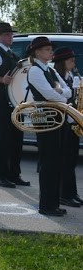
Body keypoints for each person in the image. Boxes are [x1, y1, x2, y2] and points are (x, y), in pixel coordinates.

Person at [25, 36, 69, 217]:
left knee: (55, 161)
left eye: (51, 50)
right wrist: (62, 94)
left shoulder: (50, 70)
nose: (51, 52)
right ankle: (46, 205)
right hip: (44, 117)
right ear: (37, 52)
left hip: (56, 115)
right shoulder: (35, 71)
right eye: (47, 50)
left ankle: (53, 203)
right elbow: (51, 95)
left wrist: (61, 93)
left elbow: (67, 88)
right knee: (48, 161)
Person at [0, 21, 28, 188]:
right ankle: (0, 175)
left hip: (16, 101)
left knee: (17, 139)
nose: (10, 37)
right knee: (3, 139)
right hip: (2, 99)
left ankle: (14, 174)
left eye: (11, 34)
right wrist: (1, 79)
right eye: (6, 34)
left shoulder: (11, 53)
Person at [52, 46, 82, 209]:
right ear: (62, 62)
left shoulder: (72, 75)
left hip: (73, 121)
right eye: (70, 60)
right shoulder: (58, 78)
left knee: (72, 160)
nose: (73, 62)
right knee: (65, 161)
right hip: (64, 122)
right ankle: (64, 194)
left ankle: (72, 193)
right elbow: (60, 95)